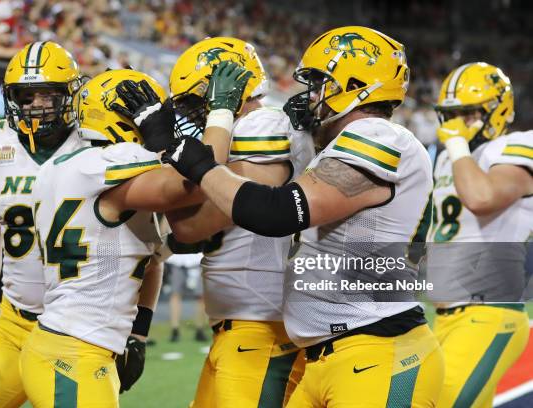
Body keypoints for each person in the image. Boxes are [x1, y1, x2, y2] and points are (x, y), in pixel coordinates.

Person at [164, 26, 444, 406]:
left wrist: (202, 166)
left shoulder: (378, 135)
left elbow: (277, 212)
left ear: (355, 85)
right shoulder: (335, 145)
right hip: (327, 354)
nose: (310, 96)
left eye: (318, 84)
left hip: (377, 347)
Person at [21, 68, 210, 407]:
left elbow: (151, 261)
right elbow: (202, 181)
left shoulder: (58, 166)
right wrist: (167, 143)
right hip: (74, 353)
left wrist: (137, 334)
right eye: (149, 115)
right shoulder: (114, 161)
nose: (158, 123)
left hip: (70, 344)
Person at [164, 37, 314, 407]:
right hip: (241, 326)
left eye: (200, 100)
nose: (196, 114)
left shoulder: (262, 124)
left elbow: (192, 226)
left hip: (261, 325)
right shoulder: (240, 130)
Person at [0, 41, 86, 408]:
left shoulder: (98, 144)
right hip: (14, 322)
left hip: (77, 332)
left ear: (70, 95)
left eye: (48, 94)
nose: (36, 104)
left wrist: (137, 328)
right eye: (26, 95)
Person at [429, 62, 532, 407]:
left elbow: (481, 198)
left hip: (488, 312)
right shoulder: (449, 161)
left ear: (497, 111)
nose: (459, 122)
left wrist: (457, 145)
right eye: (452, 114)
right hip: (445, 316)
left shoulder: (516, 146)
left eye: (470, 113)